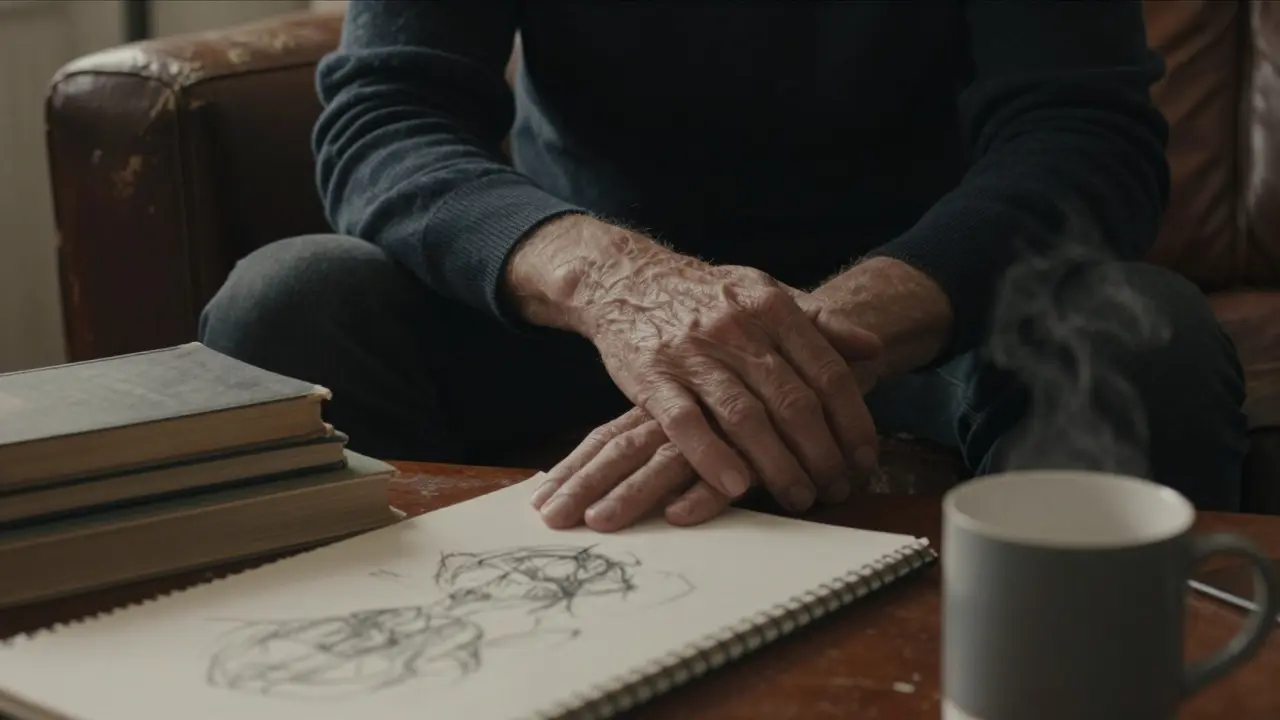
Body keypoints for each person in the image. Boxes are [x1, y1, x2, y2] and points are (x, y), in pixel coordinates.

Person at [200, 1, 1249, 532]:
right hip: (581, 321)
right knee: (287, 308)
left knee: (1142, 337)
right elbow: (385, 120)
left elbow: (1085, 136)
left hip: (928, 318)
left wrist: (805, 346)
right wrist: (621, 287)